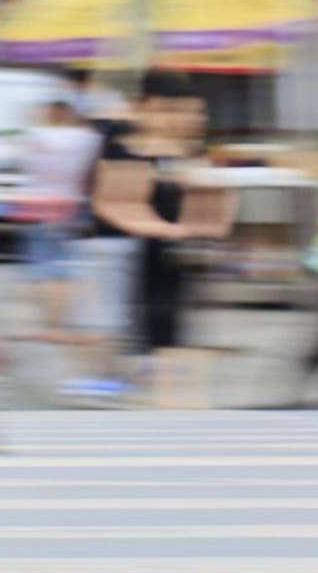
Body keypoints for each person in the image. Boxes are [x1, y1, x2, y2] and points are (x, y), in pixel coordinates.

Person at [89, 70, 236, 403]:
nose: (195, 119)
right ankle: (126, 375)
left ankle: (149, 373)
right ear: (151, 107)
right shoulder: (124, 145)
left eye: (197, 112)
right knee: (132, 319)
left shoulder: (180, 150)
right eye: (183, 111)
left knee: (164, 321)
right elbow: (118, 203)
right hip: (127, 248)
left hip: (166, 253)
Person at [17, 97, 102, 353]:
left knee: (43, 268)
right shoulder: (85, 138)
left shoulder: (35, 135)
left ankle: (51, 324)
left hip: (37, 204)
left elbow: (23, 164)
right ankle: (64, 324)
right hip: (72, 204)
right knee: (66, 267)